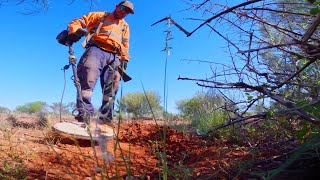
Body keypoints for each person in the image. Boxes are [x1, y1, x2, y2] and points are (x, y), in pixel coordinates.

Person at [67, 1, 134, 128]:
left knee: (112, 88)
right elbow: (79, 22)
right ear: (116, 6)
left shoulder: (125, 26)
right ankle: (85, 116)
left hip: (115, 56)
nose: (123, 12)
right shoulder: (101, 16)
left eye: (127, 12)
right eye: (122, 8)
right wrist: (73, 31)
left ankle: (105, 119)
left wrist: (125, 59)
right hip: (96, 50)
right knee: (87, 79)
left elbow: (125, 44)